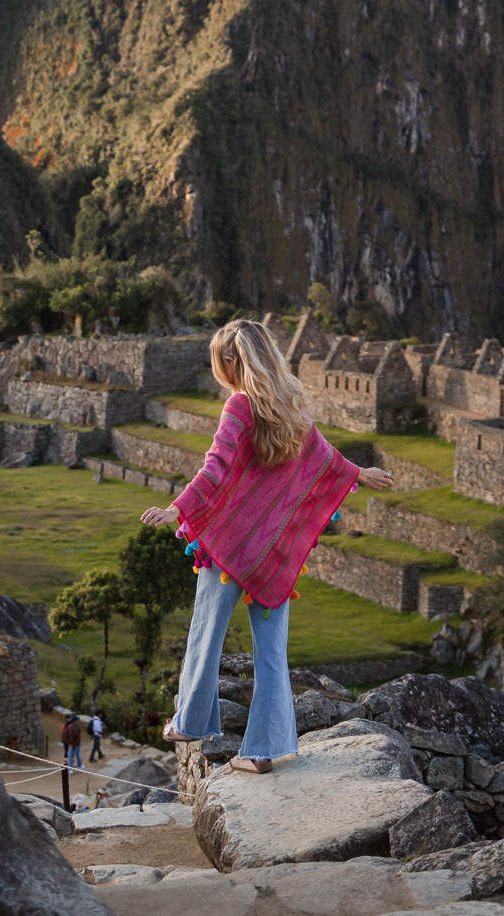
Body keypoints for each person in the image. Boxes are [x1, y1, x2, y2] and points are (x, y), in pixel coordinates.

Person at [141, 319, 393, 776]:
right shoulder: (293, 405)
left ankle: (190, 722)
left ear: (232, 363)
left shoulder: (239, 407)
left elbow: (215, 469)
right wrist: (361, 474)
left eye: (219, 361)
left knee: (206, 632)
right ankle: (263, 750)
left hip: (229, 550)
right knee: (272, 651)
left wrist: (178, 510)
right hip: (275, 556)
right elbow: (326, 459)